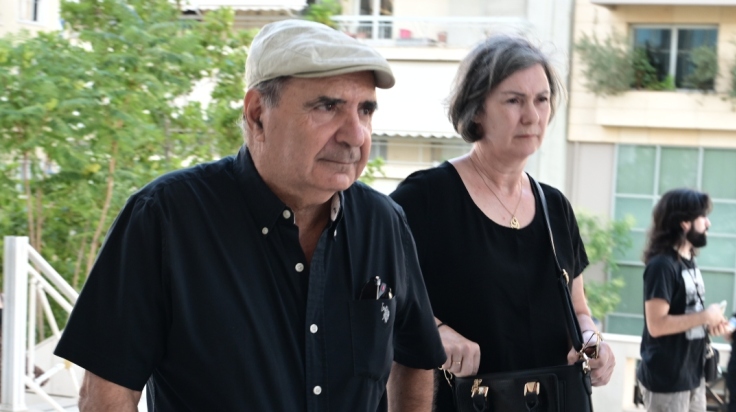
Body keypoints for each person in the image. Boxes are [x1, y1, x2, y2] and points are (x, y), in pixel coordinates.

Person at [54, 19, 446, 412]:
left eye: (365, 110)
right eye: (328, 107)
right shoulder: (165, 218)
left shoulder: (383, 222)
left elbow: (416, 356)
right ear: (258, 114)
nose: (356, 135)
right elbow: (106, 393)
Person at [389, 34, 616, 409]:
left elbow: (579, 311)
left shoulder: (555, 207)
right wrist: (435, 332)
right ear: (476, 109)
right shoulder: (424, 199)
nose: (532, 116)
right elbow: (381, 307)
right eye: (514, 100)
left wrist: (593, 342)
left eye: (542, 99)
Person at [637, 188, 729, 412]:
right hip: (667, 382)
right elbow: (656, 325)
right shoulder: (662, 265)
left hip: (693, 377)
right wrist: (705, 316)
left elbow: (685, 315)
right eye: (703, 216)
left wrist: (709, 323)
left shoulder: (688, 261)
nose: (708, 223)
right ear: (685, 223)